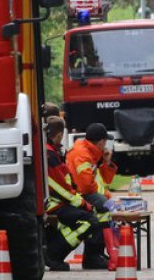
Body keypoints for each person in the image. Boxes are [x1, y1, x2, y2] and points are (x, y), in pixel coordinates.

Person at [43, 116, 108, 271]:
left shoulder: (52, 152)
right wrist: (83, 204)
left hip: (59, 201)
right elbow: (63, 188)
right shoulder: (51, 155)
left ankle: (93, 256)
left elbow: (67, 185)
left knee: (93, 214)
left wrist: (107, 163)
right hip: (54, 203)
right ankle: (53, 255)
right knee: (88, 221)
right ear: (59, 135)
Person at [66, 122, 120, 270]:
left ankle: (98, 254)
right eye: (105, 142)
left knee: (105, 204)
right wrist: (106, 198)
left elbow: (107, 180)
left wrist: (107, 162)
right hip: (76, 196)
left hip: (83, 194)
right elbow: (86, 186)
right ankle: (92, 256)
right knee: (103, 208)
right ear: (102, 142)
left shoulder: (92, 153)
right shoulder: (82, 155)